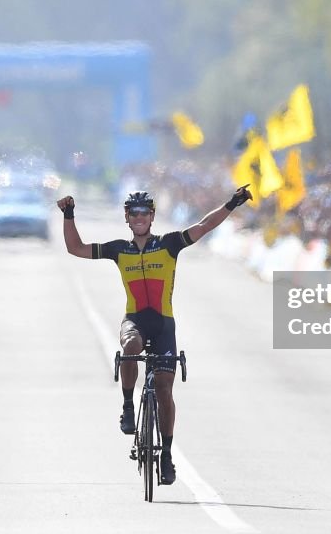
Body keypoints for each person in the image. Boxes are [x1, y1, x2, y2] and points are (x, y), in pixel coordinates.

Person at [57, 186, 252, 486]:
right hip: (134, 320)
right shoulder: (119, 249)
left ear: (152, 216)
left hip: (163, 325)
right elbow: (76, 248)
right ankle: (127, 406)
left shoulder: (169, 244)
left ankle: (167, 455)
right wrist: (68, 214)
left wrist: (232, 203)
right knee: (130, 345)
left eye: (143, 213)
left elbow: (204, 226)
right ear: (126, 217)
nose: (138, 217)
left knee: (164, 390)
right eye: (133, 213)